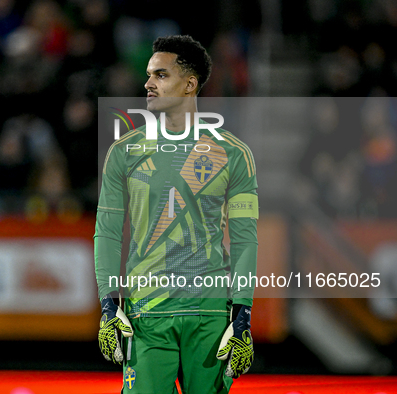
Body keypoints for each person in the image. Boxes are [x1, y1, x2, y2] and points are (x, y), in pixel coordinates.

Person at [94, 35, 258, 394]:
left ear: (189, 84)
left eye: (160, 75)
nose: (148, 84)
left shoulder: (233, 154)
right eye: (149, 75)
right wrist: (109, 304)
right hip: (145, 315)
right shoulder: (124, 151)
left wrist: (242, 313)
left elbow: (246, 239)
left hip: (210, 316)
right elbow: (106, 232)